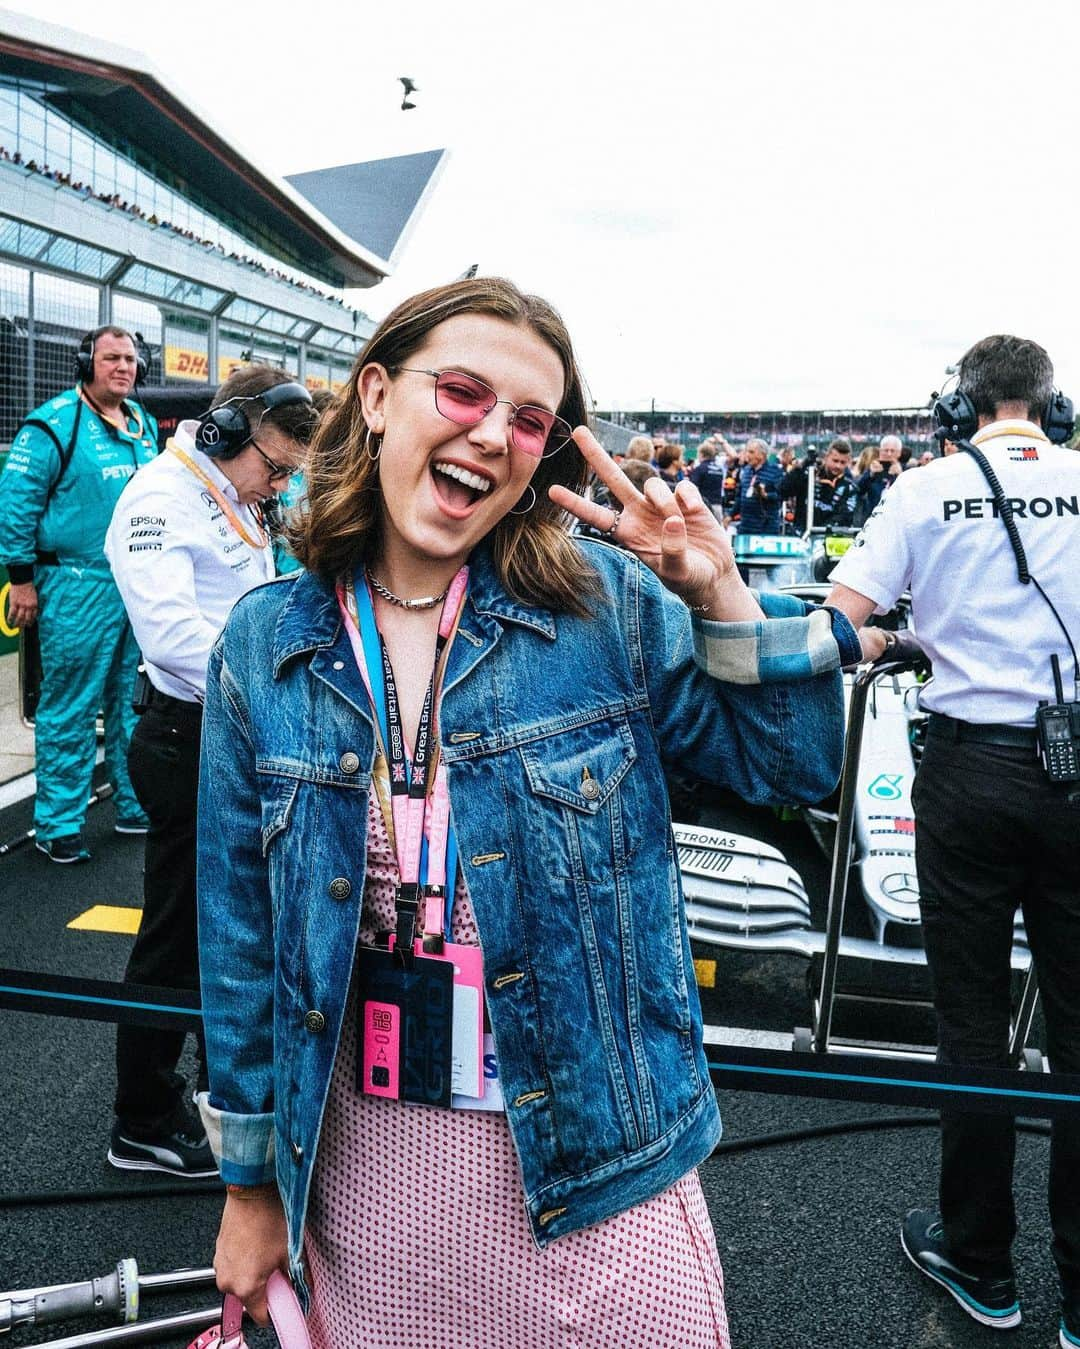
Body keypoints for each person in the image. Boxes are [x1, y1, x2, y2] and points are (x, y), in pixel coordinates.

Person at [196, 277, 859, 1344]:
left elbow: (788, 767)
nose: (492, 434)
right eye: (462, 391)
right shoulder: (265, 645)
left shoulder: (602, 607)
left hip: (601, 1165)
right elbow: (237, 940)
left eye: (529, 419)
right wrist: (247, 1184)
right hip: (370, 1181)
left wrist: (723, 597)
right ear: (375, 395)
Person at [826, 334, 1080, 1345]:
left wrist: (900, 637)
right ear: (1049, 403)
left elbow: (843, 619)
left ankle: (982, 1263)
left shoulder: (927, 489)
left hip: (971, 768)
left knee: (972, 1021)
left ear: (962, 401)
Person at [103, 366, 316, 1177]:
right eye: (275, 466)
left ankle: (221, 1094)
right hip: (186, 734)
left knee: (234, 931)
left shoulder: (234, 491)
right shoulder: (158, 500)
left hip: (228, 732)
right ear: (225, 433)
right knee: (176, 938)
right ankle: (143, 1117)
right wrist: (268, 692)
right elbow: (169, 640)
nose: (282, 483)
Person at [0, 326, 157, 862]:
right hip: (73, 585)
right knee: (69, 705)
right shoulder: (52, 425)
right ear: (85, 362)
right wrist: (21, 579)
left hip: (132, 587)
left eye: (132, 359)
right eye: (111, 357)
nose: (124, 367)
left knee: (134, 702)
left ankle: (135, 805)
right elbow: (16, 502)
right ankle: (58, 824)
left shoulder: (140, 424)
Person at [782, 436, 857, 531]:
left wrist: (822, 532)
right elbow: (783, 491)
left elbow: (844, 516)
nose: (838, 466)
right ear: (826, 457)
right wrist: (800, 469)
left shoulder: (849, 487)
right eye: (835, 461)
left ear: (848, 462)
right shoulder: (809, 475)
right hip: (800, 534)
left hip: (828, 538)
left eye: (842, 462)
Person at [735, 438, 784, 534]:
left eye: (751, 452)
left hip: (765, 528)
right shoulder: (746, 471)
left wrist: (766, 495)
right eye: (747, 452)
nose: (747, 455)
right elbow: (740, 496)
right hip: (745, 526)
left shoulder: (775, 471)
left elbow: (781, 495)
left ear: (762, 455)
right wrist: (730, 515)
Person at [854, 432, 904, 524]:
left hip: (895, 521)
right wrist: (870, 474)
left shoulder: (906, 472)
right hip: (872, 520)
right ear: (880, 451)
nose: (889, 454)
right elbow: (858, 490)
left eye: (892, 451)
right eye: (886, 450)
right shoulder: (873, 469)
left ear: (899, 453)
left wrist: (900, 476)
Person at [689, 440, 727, 521]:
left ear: (702, 454)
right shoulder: (719, 469)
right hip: (718, 506)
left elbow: (692, 488)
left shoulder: (699, 469)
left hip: (705, 506)